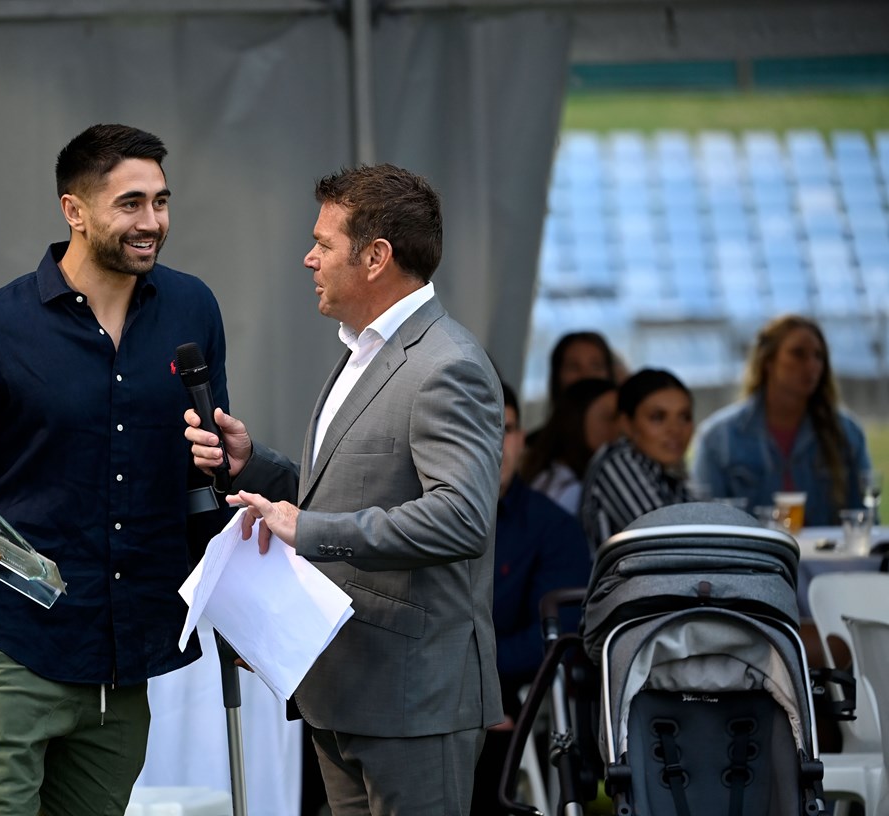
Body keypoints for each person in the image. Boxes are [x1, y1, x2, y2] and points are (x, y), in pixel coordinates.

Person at [0, 124, 227, 816]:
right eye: (130, 204)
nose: (152, 222)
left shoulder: (192, 308)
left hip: (125, 646)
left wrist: (231, 461)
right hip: (7, 636)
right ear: (73, 211)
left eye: (161, 201)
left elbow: (206, 462)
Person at [185, 164, 503, 815]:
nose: (309, 259)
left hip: (415, 699)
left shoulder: (448, 365)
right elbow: (348, 491)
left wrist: (309, 530)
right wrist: (253, 466)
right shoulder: (366, 351)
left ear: (376, 257)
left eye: (323, 244)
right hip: (345, 685)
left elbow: (461, 518)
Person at [471, 382, 592, 816]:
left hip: (509, 695)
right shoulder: (411, 520)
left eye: (505, 429)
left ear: (522, 438)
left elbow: (556, 638)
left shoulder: (553, 527)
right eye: (478, 427)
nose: (495, 443)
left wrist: (476, 678)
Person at [691, 314, 871, 526]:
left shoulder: (846, 434)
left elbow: (865, 521)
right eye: (798, 354)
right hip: (754, 549)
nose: (811, 365)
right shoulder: (719, 439)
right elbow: (706, 526)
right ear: (768, 361)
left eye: (818, 356)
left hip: (828, 549)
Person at [578, 368, 694, 552]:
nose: (675, 429)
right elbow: (668, 542)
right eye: (658, 417)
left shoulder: (665, 471)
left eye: (684, 417)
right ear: (626, 424)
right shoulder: (617, 464)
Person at [520, 377, 619, 514]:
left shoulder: (552, 477)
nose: (620, 428)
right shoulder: (567, 489)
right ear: (576, 419)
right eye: (610, 418)